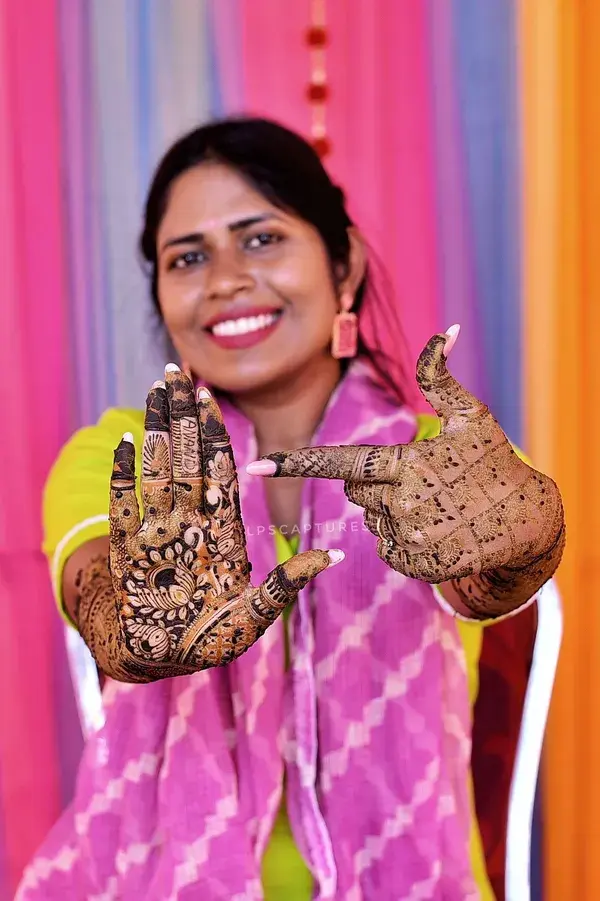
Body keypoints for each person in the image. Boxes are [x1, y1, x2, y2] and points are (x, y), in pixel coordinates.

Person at [17, 118, 564, 901]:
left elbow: (491, 580)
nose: (228, 278)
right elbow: (97, 595)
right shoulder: (124, 458)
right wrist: (133, 628)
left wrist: (529, 541)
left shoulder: (437, 462)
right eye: (189, 257)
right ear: (164, 297)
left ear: (344, 266)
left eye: (262, 238)